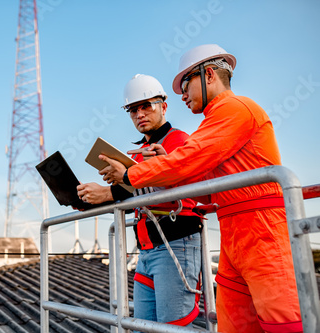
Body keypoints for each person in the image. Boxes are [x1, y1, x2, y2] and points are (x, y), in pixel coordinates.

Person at [99, 45, 303, 333]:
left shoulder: (234, 109)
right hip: (235, 233)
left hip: (262, 231)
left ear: (208, 75)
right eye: (133, 109)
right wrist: (165, 169)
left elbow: (189, 159)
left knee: (283, 323)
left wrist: (132, 173)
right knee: (237, 325)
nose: (183, 94)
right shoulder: (214, 121)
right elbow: (204, 190)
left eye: (186, 84)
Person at [77, 74, 204, 327]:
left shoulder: (177, 141)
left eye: (147, 106)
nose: (140, 114)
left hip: (176, 243)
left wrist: (108, 191)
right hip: (147, 248)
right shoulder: (138, 152)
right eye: (133, 109)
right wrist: (88, 200)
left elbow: (162, 183)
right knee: (142, 327)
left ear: (164, 106)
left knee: (172, 328)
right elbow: (133, 195)